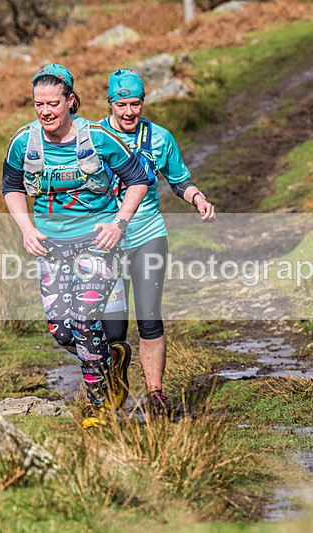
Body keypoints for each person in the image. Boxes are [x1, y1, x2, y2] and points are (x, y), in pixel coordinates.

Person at [2, 64, 148, 429]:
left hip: (96, 242)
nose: (46, 111)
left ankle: (98, 407)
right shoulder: (24, 142)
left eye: (53, 103)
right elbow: (11, 187)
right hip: (50, 246)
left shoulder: (97, 138)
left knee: (84, 321)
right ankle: (112, 360)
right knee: (61, 330)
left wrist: (120, 222)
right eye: (39, 104)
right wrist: (25, 228)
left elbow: (139, 179)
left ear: (70, 101)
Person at [100, 69, 216, 416]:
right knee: (113, 327)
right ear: (110, 103)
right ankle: (114, 384)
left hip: (148, 236)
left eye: (135, 104)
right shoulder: (93, 135)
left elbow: (179, 180)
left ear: (143, 103)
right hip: (107, 242)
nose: (129, 111)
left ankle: (156, 393)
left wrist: (198, 199)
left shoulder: (160, 138)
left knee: (150, 318)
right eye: (121, 104)